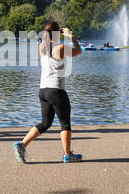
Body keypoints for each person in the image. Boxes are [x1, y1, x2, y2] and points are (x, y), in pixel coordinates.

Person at [12, 22, 83, 163]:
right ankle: (68, 155)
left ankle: (22, 144)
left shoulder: (41, 48)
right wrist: (70, 35)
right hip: (56, 90)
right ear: (58, 33)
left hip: (43, 90)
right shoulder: (61, 47)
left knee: (46, 123)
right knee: (65, 124)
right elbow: (79, 50)